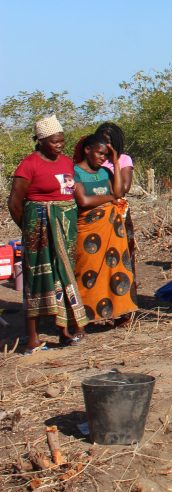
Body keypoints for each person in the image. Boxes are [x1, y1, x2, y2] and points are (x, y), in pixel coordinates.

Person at [8, 115, 89, 351]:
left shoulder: (66, 163)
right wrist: (31, 229)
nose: (60, 145)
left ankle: (66, 330)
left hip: (65, 229)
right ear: (41, 141)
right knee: (38, 279)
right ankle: (32, 338)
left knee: (64, 276)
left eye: (62, 141)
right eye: (55, 141)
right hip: (39, 229)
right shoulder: (28, 165)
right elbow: (15, 202)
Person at [72, 133, 137, 324]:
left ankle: (119, 312)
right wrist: (109, 199)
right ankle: (85, 315)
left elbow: (118, 191)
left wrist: (116, 163)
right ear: (87, 150)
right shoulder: (75, 172)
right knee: (87, 271)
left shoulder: (105, 172)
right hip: (88, 231)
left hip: (110, 232)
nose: (103, 158)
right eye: (100, 154)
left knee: (115, 269)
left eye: (106, 156)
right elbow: (83, 200)